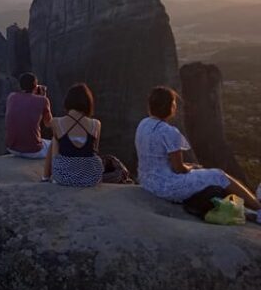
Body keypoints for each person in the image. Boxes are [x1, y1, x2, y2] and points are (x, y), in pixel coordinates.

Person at [135, 86, 260, 217]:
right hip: (166, 187)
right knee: (219, 175)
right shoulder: (169, 132)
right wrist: (190, 167)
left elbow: (156, 158)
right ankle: (258, 207)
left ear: (150, 106)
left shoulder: (143, 124)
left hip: (147, 181)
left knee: (205, 173)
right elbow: (179, 169)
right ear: (171, 107)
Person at [43, 83, 104, 186]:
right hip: (91, 177)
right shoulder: (96, 124)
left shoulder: (57, 122)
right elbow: (95, 150)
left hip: (64, 177)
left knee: (55, 140)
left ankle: (45, 177)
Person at [5, 72, 52, 158]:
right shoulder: (43, 100)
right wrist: (44, 97)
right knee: (57, 145)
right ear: (35, 86)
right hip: (34, 151)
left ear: (20, 85)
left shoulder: (11, 97)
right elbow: (48, 124)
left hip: (12, 148)